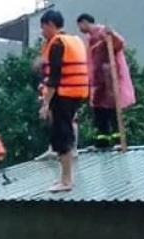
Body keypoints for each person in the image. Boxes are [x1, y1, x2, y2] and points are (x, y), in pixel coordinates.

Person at [39, 9, 89, 193]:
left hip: (64, 94)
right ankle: (65, 179)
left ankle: (66, 180)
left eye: (43, 27)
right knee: (63, 132)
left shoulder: (58, 44)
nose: (42, 32)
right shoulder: (74, 40)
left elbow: (54, 78)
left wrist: (45, 103)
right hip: (76, 93)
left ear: (50, 25)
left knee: (62, 135)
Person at [77, 13, 136, 150]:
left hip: (109, 79)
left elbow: (119, 43)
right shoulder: (89, 38)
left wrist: (112, 35)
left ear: (85, 22)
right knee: (99, 112)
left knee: (112, 110)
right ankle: (101, 142)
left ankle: (118, 141)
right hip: (98, 81)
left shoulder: (103, 32)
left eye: (80, 25)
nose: (79, 28)